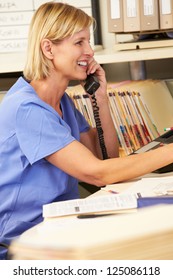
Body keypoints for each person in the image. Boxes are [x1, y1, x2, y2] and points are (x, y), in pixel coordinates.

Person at [0, 2, 173, 260]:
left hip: (64, 230)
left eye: (89, 42)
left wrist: (100, 98)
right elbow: (98, 174)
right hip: (25, 246)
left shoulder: (62, 102)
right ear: (48, 48)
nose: (90, 51)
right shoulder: (27, 109)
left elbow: (106, 160)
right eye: (79, 42)